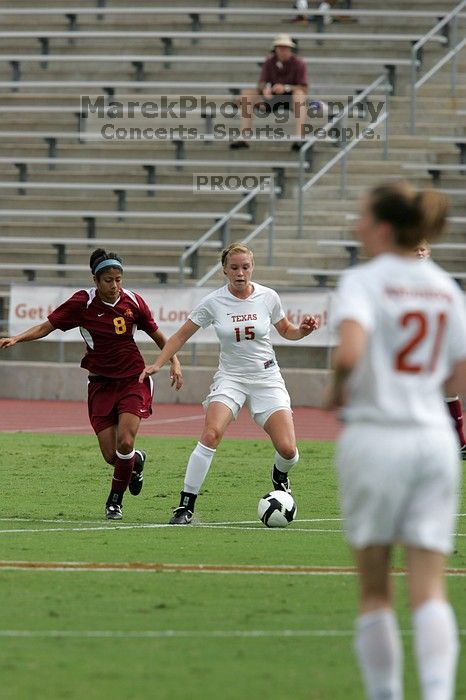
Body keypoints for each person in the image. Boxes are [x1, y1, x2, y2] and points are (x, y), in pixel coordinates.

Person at [326, 182, 466, 700]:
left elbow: (348, 353)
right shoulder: (445, 286)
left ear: (383, 228)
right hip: (434, 440)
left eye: (361, 217)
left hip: (378, 438)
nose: (356, 227)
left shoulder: (364, 280)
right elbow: (460, 377)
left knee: (376, 589)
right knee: (430, 587)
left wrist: (337, 389)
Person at [139, 242, 321, 524]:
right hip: (230, 379)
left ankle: (279, 474)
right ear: (224, 270)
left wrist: (303, 331)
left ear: (252, 268)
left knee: (287, 450)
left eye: (245, 267)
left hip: (266, 378)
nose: (240, 273)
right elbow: (179, 336)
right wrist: (159, 363)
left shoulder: (268, 297)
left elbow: (287, 331)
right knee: (211, 435)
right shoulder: (213, 301)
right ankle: (185, 506)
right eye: (234, 268)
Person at [0, 248, 183, 521]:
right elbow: (47, 326)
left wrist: (174, 362)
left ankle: (114, 502)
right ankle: (137, 460)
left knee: (124, 442)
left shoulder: (133, 301)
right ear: (95, 281)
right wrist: (17, 338)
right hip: (100, 385)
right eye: (108, 280)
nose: (115, 286)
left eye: (119, 279)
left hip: (134, 380)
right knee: (112, 456)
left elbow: (159, 336)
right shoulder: (82, 303)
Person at [415, 238, 466, 458]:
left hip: (438, 344)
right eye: (415, 250)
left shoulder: (438, 282)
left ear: (429, 253)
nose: (419, 253)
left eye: (422, 249)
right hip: (414, 350)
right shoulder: (398, 282)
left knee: (449, 392)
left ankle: (459, 443)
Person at [230, 34, 308, 152]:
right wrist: (265, 89)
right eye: (280, 48)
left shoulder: (299, 63)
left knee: (300, 96)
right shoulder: (269, 61)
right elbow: (261, 83)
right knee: (247, 95)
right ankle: (244, 138)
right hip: (272, 98)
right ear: (275, 49)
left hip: (290, 99)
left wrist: (286, 88)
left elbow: (304, 87)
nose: (283, 51)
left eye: (286, 48)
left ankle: (299, 138)